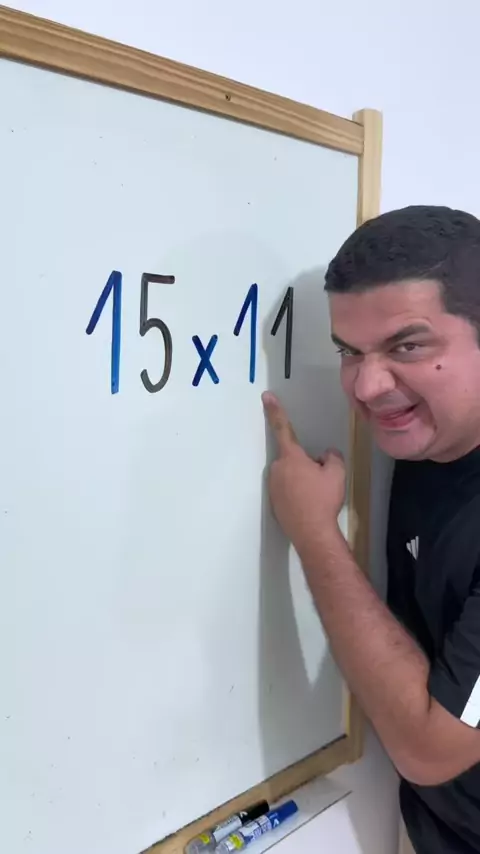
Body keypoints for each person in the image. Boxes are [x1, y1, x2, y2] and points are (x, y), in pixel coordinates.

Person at [262, 205, 480, 854]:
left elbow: (430, 749)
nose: (366, 385)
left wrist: (314, 534)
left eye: (408, 346)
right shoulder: (431, 436)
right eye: (348, 352)